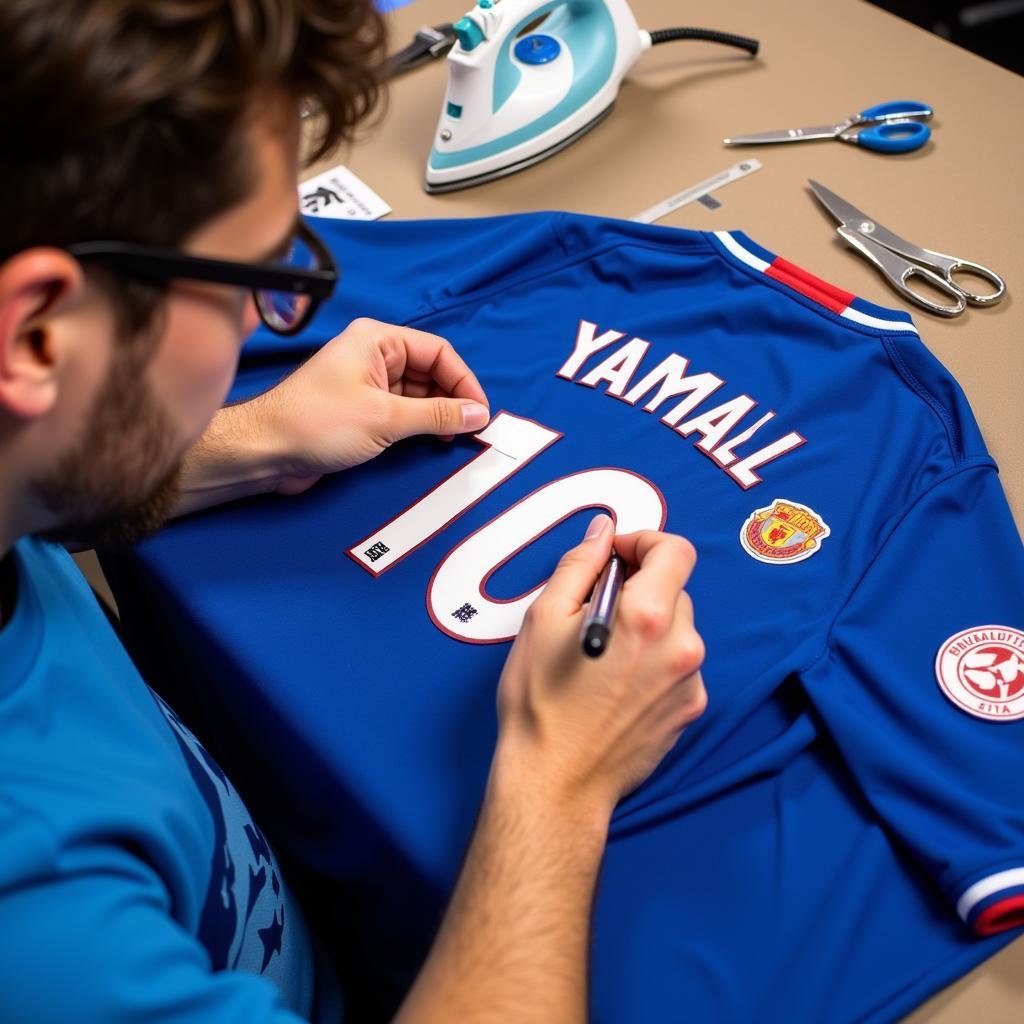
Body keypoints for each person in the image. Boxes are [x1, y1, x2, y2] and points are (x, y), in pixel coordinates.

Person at [0, 1, 707, 1021]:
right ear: (36, 337)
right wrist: (560, 780)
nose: (260, 324)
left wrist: (246, 445)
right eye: (250, 278)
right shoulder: (39, 925)